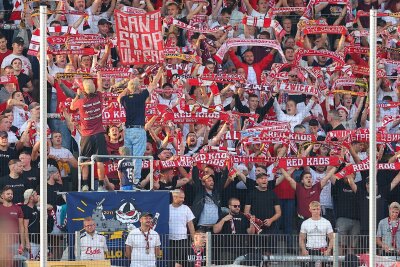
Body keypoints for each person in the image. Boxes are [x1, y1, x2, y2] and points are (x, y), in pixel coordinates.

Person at [118, 69, 162, 182]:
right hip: (138, 130)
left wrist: (128, 87)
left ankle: (126, 179)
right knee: (137, 157)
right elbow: (153, 85)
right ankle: (135, 180)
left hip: (127, 131)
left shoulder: (125, 99)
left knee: (127, 156)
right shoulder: (142, 96)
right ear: (139, 88)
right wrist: (160, 70)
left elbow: (119, 97)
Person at [70, 79, 112, 191]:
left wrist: (78, 95)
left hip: (86, 135)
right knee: (100, 161)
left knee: (85, 160)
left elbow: (72, 107)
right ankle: (101, 185)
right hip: (99, 134)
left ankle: (84, 185)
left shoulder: (81, 102)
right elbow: (99, 85)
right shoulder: (99, 96)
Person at [213, 197, 255, 264]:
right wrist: (223, 220)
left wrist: (252, 223)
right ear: (229, 206)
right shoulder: (223, 215)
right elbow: (215, 230)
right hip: (227, 250)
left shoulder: (244, 217)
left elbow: (251, 233)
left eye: (239, 206)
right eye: (235, 206)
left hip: (241, 250)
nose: (237, 208)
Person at [299, 201, 334, 266]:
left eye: (318, 209)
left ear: (320, 209)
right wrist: (303, 249)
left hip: (323, 250)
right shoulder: (305, 223)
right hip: (309, 250)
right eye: (314, 209)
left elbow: (332, 238)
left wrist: (328, 250)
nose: (316, 211)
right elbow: (301, 238)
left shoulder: (326, 222)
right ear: (310, 210)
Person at [169, 190, 196, 267]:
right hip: (169, 240)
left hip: (183, 240)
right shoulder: (167, 208)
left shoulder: (186, 208)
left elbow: (190, 225)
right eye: (181, 198)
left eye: (183, 198)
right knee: (171, 263)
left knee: (179, 264)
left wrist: (194, 239)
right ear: (174, 197)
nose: (183, 200)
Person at [0, 186, 24, 261]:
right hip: (2, 243)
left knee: (14, 264)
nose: (10, 195)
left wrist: (22, 243)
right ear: (2, 196)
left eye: (11, 194)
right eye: (8, 194)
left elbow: (21, 226)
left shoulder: (18, 209)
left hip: (15, 243)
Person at [21, 188, 40, 260]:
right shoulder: (26, 209)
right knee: (31, 262)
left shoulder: (35, 208)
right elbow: (25, 227)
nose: (38, 196)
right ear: (31, 197)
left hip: (38, 240)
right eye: (36, 195)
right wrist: (27, 242)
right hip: (31, 242)